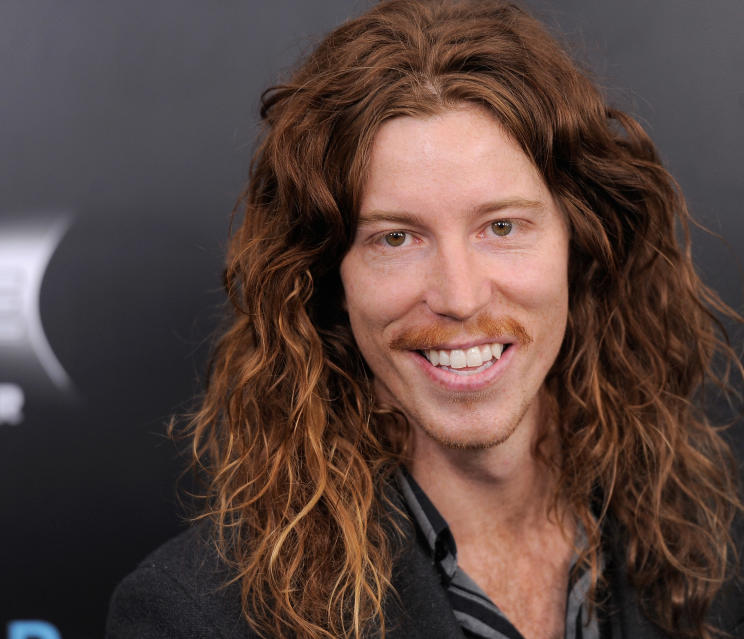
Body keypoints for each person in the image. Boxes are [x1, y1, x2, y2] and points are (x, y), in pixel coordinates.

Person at [106, 1, 744, 637]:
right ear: (330, 280)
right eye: (396, 238)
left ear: (580, 245)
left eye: (501, 226)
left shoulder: (709, 544)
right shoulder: (195, 616)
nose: (459, 297)